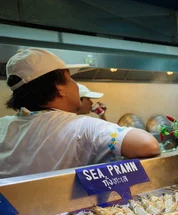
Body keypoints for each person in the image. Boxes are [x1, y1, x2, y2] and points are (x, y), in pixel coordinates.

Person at [0, 48, 160, 179]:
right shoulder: (79, 126)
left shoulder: (3, 124)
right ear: (59, 88)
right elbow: (148, 144)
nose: (76, 85)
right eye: (70, 79)